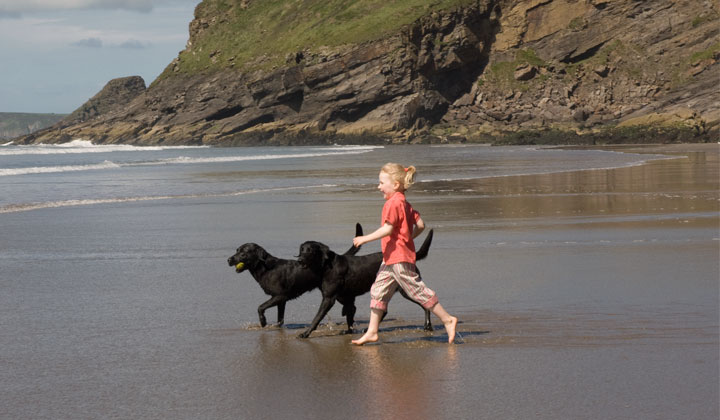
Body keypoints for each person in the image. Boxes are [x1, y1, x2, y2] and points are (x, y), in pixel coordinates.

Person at [351, 163, 458, 345]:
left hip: (399, 258)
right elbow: (421, 225)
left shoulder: (392, 203)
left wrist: (364, 239)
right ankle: (372, 331)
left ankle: (448, 319)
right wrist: (408, 238)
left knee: (417, 290)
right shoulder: (405, 203)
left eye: (382, 183)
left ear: (396, 184)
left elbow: (388, 228)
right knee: (378, 291)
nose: (379, 187)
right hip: (391, 258)